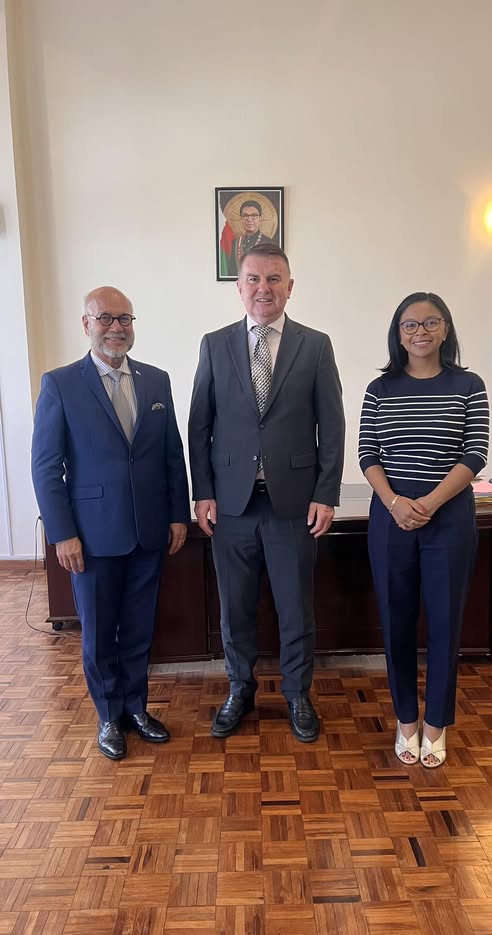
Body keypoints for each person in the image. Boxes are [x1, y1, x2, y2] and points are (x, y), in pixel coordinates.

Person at [189, 244, 345, 742]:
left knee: (296, 607)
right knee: (234, 609)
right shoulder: (214, 345)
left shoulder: (315, 345)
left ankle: (298, 694)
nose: (264, 288)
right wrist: (202, 491)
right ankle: (240, 689)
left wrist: (326, 492)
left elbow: (332, 425)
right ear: (239, 287)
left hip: (294, 504)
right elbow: (200, 424)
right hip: (231, 506)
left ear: (290, 287)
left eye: (274, 278)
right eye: (254, 279)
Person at [31, 286, 190, 760]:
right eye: (106, 318)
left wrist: (177, 515)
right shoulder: (61, 384)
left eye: (124, 318)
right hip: (91, 536)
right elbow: (46, 467)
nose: (116, 327)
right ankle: (107, 715)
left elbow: (172, 455)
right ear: (87, 324)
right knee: (99, 633)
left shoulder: (156, 380)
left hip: (149, 531)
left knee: (139, 628)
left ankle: (136, 707)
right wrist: (62, 533)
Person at [358, 292, 489, 767]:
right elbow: (367, 453)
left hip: (448, 519)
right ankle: (406, 720)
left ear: (446, 328)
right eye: (410, 324)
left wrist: (430, 503)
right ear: (398, 334)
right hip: (391, 517)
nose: (420, 332)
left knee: (445, 624)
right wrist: (395, 503)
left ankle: (436, 724)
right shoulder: (380, 388)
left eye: (431, 322)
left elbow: (475, 452)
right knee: (396, 623)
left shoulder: (468, 384)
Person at [227, 200, 274, 276]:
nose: (249, 219)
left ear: (260, 219)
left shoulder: (270, 244)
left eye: (254, 216)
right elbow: (231, 272)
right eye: (245, 216)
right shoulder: (235, 243)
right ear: (241, 219)